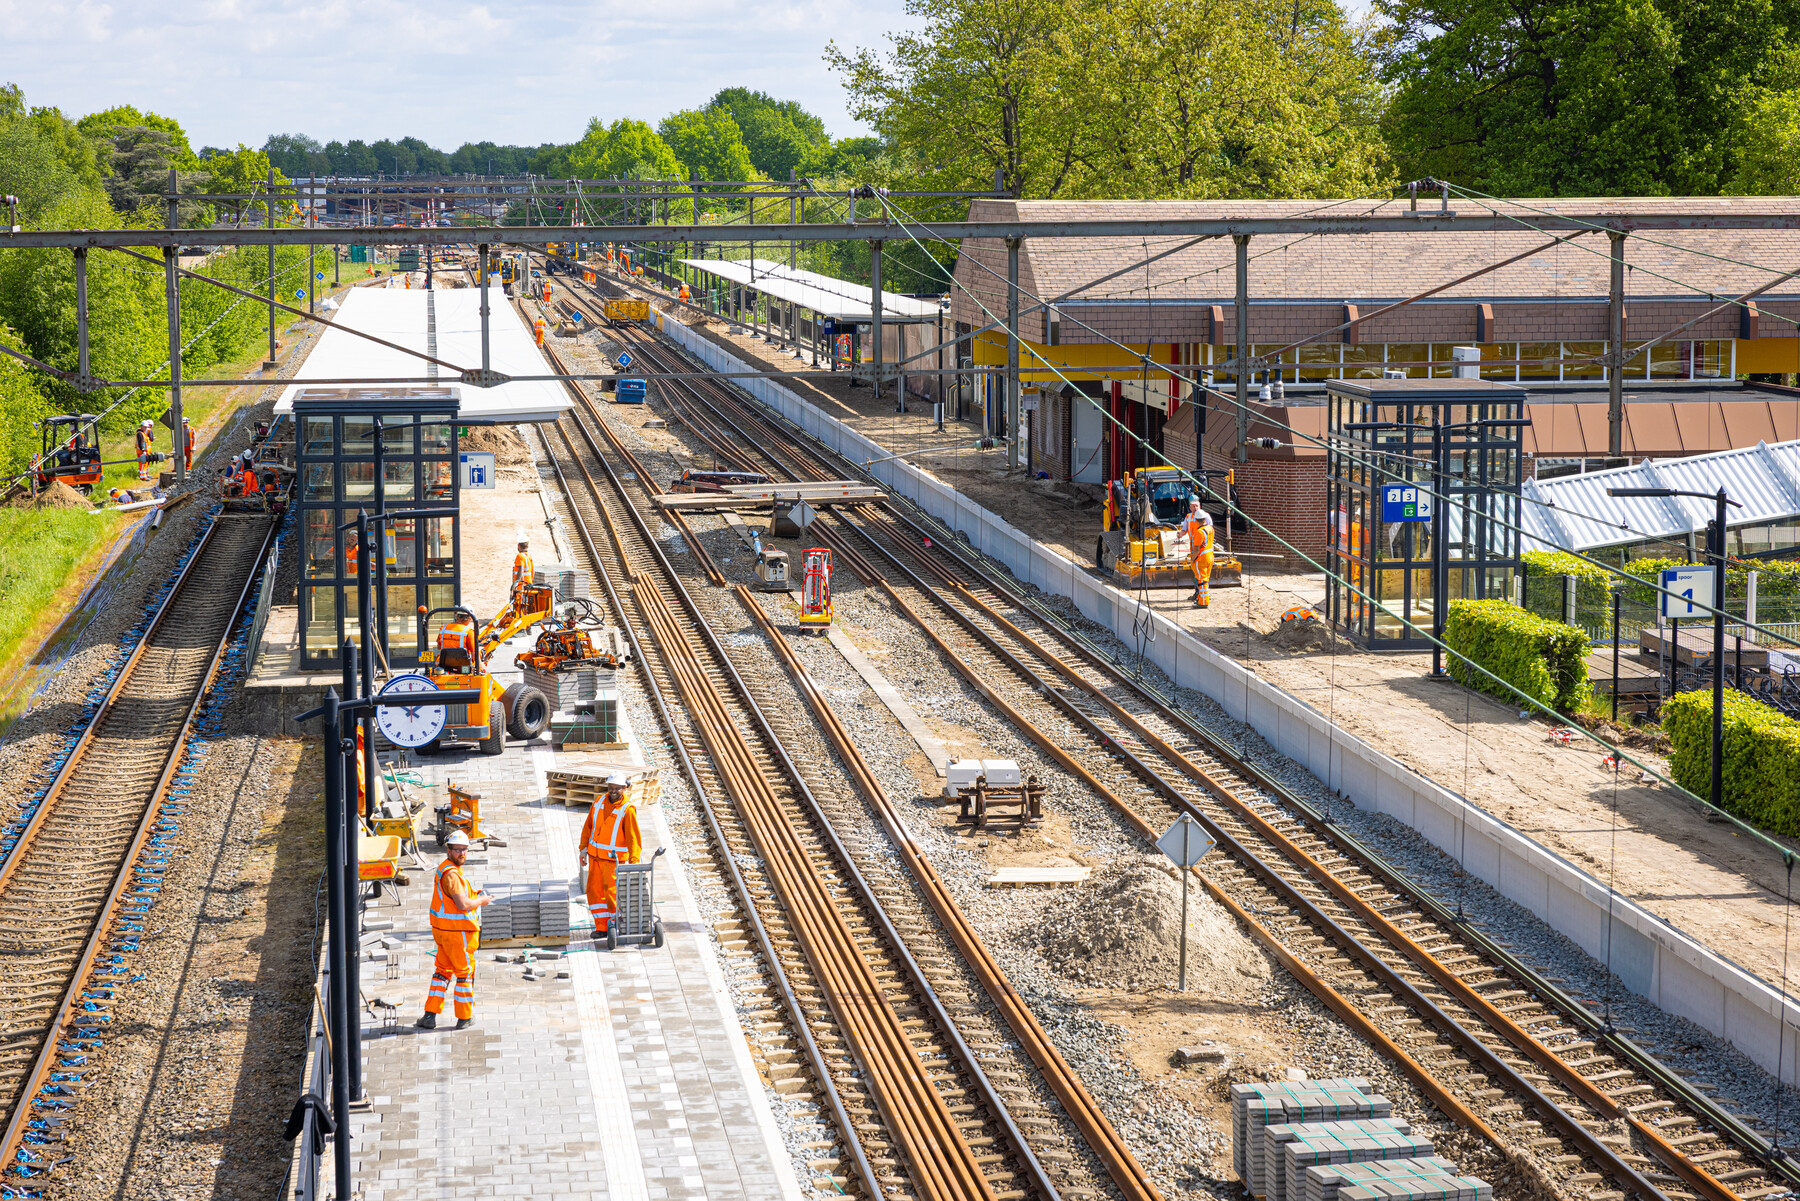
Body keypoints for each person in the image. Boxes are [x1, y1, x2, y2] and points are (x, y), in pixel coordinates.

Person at [417, 830, 491, 1030]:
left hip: (443, 931)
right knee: (464, 973)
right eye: (457, 850)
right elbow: (463, 904)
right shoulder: (452, 875)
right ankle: (464, 1017)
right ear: (448, 850)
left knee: (442, 972)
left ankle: (429, 1016)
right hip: (458, 933)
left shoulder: (444, 868)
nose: (462, 854)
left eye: (464, 850)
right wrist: (481, 901)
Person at [579, 773, 641, 938]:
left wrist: (634, 862)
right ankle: (602, 927)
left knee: (612, 895)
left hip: (613, 862)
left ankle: (617, 926)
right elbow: (588, 827)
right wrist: (583, 849)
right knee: (594, 893)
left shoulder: (627, 810)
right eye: (611, 788)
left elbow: (633, 837)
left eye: (617, 788)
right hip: (595, 858)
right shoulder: (598, 802)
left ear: (624, 788)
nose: (613, 791)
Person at [1185, 497, 1215, 610]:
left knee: (1201, 581)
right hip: (1210, 557)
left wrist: (1192, 559)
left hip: (1201, 559)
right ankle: (1202, 598)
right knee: (1205, 580)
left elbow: (1196, 548)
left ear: (1197, 520)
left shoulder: (1199, 532)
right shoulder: (1210, 529)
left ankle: (1203, 602)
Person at [512, 537, 534, 603]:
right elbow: (533, 571)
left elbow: (521, 570)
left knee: (520, 604)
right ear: (527, 546)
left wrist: (516, 584)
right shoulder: (529, 556)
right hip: (528, 584)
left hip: (521, 585)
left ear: (518, 546)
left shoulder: (520, 556)